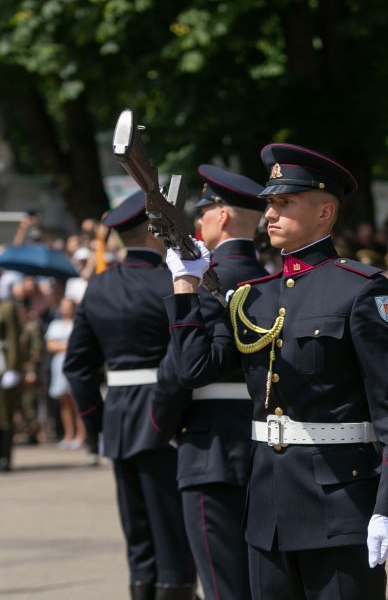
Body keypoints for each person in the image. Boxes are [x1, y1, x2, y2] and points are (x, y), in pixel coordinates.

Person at [165, 143, 388, 599]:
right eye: (269, 203)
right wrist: (185, 287)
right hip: (268, 508)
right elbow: (193, 369)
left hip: (339, 506)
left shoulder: (361, 291)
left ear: (325, 212)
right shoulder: (252, 296)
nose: (270, 215)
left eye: (285, 203)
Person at [63, 191, 196, 599]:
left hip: (119, 420)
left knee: (139, 538)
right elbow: (185, 357)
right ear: (157, 235)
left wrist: (97, 423)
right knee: (172, 533)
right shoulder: (171, 284)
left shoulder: (98, 287)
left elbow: (78, 367)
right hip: (168, 417)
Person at [150, 166, 268, 600]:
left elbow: (181, 370)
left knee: (223, 587)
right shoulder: (273, 281)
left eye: (204, 213)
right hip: (268, 446)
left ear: (220, 217)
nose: (198, 224)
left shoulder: (206, 281)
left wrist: (160, 428)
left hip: (210, 450)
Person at [46, 297, 84, 450]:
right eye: (63, 306)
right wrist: (68, 345)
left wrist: (61, 345)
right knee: (64, 402)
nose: (66, 309)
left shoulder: (79, 323)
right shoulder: (55, 325)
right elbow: (50, 346)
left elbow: (80, 344)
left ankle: (81, 436)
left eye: (68, 306)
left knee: (77, 402)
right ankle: (69, 434)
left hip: (75, 365)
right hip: (59, 366)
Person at [0, 292, 21, 471]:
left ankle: (4, 457)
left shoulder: (6, 307)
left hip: (2, 363)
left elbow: (13, 338)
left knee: (4, 413)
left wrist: (13, 368)